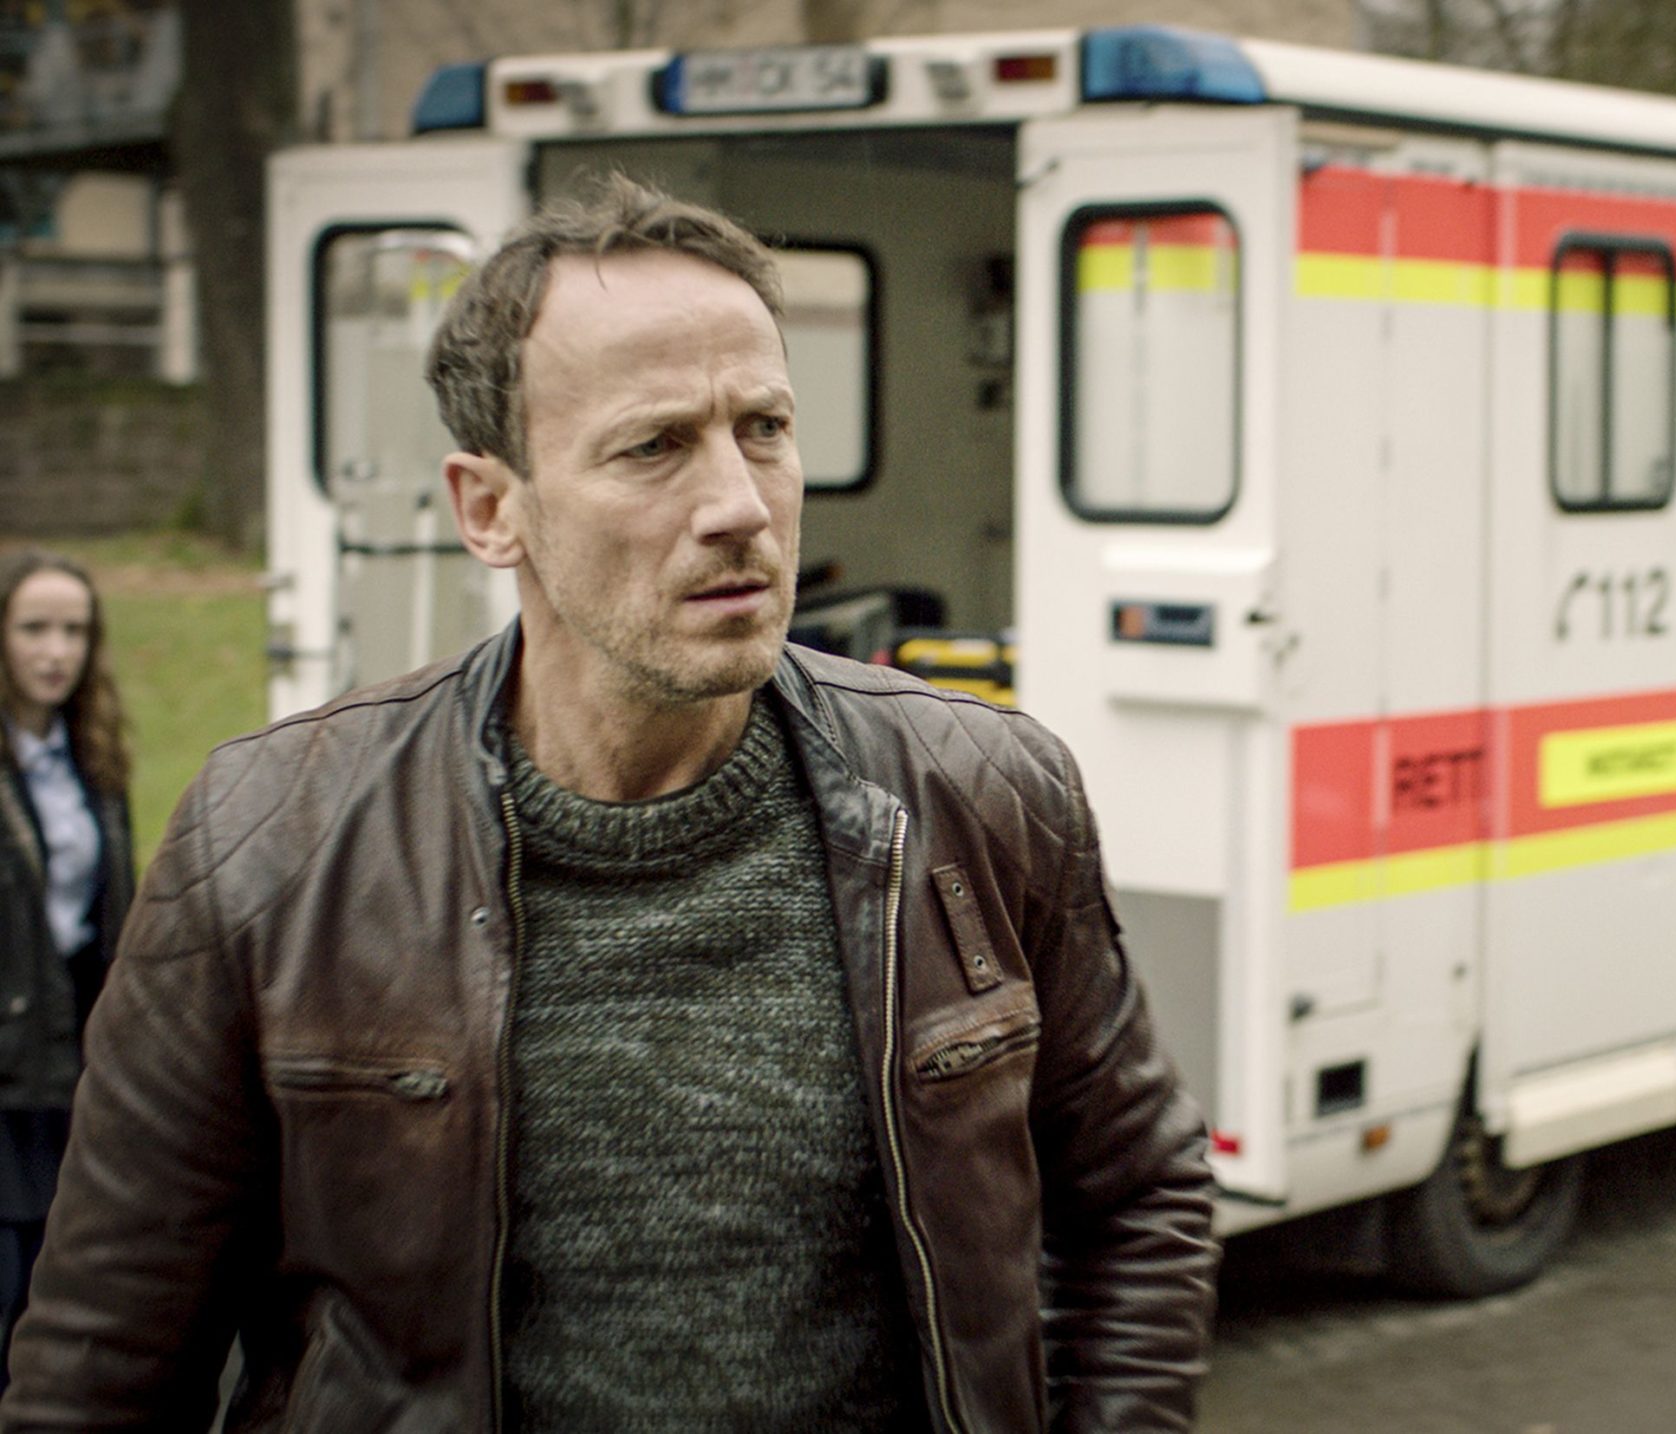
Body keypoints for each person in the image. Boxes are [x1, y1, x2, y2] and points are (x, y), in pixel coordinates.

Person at [3, 179, 1217, 1431]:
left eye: (764, 427)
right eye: (654, 447)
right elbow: (105, 1354)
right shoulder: (270, 840)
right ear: (491, 509)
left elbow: (1136, 1197)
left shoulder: (979, 793)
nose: (739, 504)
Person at [0, 550, 133, 1395]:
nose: (56, 652)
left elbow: (109, 919)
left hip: (70, 1073)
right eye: (34, 629)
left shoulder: (92, 761)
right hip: (4, 1078)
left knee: (52, 1310)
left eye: (75, 631)